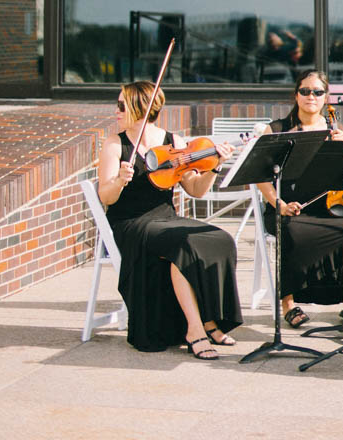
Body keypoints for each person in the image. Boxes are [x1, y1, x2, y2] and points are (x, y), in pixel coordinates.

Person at [98, 81, 242, 357]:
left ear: (140, 107)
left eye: (121, 105)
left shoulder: (174, 143)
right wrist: (118, 180)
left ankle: (211, 319)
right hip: (132, 223)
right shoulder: (115, 143)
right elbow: (106, 197)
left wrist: (215, 165)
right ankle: (195, 330)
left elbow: (196, 190)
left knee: (219, 238)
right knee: (182, 246)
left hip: (165, 218)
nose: (115, 110)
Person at [256, 69, 343, 329]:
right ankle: (289, 303)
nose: (311, 96)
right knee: (291, 232)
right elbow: (260, 176)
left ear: (326, 97)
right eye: (305, 91)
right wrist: (279, 204)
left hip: (324, 208)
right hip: (286, 208)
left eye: (318, 92)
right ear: (296, 95)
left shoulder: (332, 130)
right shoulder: (276, 130)